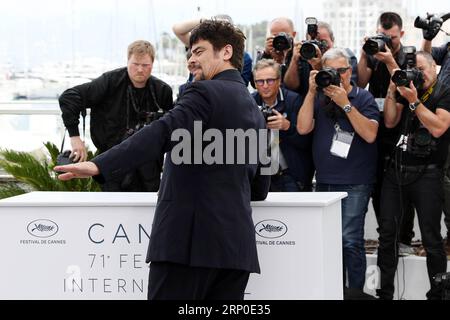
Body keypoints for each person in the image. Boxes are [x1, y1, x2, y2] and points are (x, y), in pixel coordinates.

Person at [54, 20, 270, 300]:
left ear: (226, 52)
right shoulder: (257, 113)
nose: (191, 60)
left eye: (199, 51)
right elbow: (259, 189)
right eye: (189, 53)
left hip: (188, 248)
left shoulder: (203, 92)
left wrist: (99, 164)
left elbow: (161, 131)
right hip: (236, 252)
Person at [297, 48, 379, 291]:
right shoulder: (318, 97)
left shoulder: (363, 98)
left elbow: (370, 134)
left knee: (350, 240)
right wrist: (311, 92)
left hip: (355, 182)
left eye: (342, 71)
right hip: (323, 181)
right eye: (331, 71)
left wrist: (345, 104)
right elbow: (302, 128)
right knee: (330, 242)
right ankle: (334, 290)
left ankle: (354, 293)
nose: (337, 76)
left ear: (350, 71)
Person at [377, 51, 450, 300]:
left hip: (428, 175)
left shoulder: (444, 91)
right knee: (387, 236)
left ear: (434, 68)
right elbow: (389, 121)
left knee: (431, 238)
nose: (418, 74)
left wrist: (415, 102)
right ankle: (384, 293)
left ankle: (438, 294)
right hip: (396, 171)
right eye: (414, 69)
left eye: (422, 69)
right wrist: (392, 88)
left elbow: (439, 128)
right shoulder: (405, 87)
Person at [59, 40, 173, 192]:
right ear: (128, 61)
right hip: (111, 160)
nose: (140, 69)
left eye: (145, 65)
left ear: (152, 63)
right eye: (135, 64)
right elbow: (69, 97)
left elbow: (170, 127)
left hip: (149, 164)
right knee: (113, 208)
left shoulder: (162, 90)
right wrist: (75, 137)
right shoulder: (110, 82)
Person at [357, 13, 416, 248]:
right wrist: (364, 53)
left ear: (401, 34)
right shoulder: (374, 54)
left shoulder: (407, 56)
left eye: (392, 38)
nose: (387, 42)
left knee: (403, 184)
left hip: (402, 128)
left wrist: (391, 60)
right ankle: (386, 235)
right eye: (384, 37)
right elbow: (361, 82)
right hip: (376, 129)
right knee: (379, 184)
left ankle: (404, 237)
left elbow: (406, 85)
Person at [252, 59, 314, 191]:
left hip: (290, 175)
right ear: (255, 83)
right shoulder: (249, 102)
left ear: (279, 81)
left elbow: (308, 141)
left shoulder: (294, 101)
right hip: (262, 175)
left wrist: (288, 127)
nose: (265, 85)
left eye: (270, 80)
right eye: (260, 81)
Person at [422, 31, 450, 248]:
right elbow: (427, 57)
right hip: (442, 116)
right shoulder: (448, 48)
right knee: (445, 181)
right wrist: (429, 36)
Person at [172, 14, 253, 87]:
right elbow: (177, 30)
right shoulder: (203, 44)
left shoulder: (245, 58)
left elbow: (239, 86)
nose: (191, 60)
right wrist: (204, 22)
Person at [284, 21, 358, 97]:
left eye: (323, 42)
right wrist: (294, 59)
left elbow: (345, 89)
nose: (318, 47)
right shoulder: (302, 58)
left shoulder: (345, 58)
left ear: (332, 41)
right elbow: (290, 87)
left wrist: (320, 68)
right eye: (314, 43)